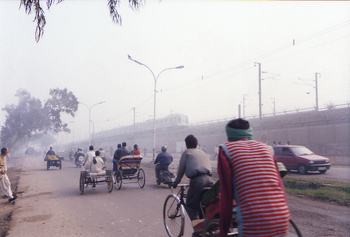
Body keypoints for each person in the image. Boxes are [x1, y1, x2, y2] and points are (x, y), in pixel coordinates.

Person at [217, 118, 290, 237]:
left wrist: (223, 230)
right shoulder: (267, 149)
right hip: (281, 218)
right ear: (249, 133)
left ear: (229, 136)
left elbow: (226, 195)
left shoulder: (226, 150)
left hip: (253, 224)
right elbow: (280, 186)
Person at [172, 135, 213, 235]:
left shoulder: (187, 152)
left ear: (186, 144)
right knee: (203, 205)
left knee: (190, 206)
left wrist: (176, 183)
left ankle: (198, 229)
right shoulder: (202, 152)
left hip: (197, 181)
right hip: (209, 180)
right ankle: (207, 225)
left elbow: (181, 170)